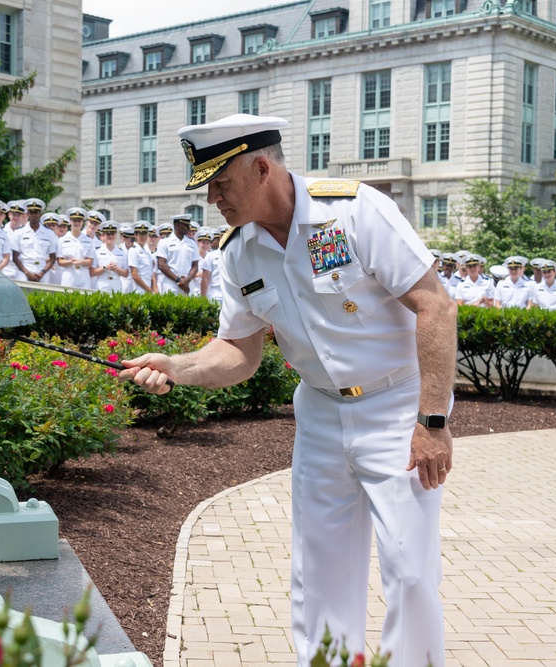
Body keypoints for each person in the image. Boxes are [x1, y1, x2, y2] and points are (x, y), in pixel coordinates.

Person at [120, 114, 455, 667]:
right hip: (322, 414)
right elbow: (239, 353)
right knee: (319, 573)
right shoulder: (239, 252)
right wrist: (175, 366)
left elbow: (436, 307)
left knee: (411, 571)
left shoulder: (354, 211)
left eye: (220, 184)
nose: (212, 199)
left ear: (260, 167)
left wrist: (432, 423)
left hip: (399, 409)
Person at [11, 200, 57, 282]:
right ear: (27, 214)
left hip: (43, 268)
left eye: (36, 212)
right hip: (24, 269)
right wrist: (27, 273)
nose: (34, 215)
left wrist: (42, 273)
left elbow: (53, 257)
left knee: (44, 294)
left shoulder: (49, 233)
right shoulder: (19, 232)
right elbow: (15, 257)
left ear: (40, 214)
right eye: (31, 212)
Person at [156, 214, 199, 295]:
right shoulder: (165, 242)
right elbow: (161, 264)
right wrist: (178, 280)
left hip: (188, 283)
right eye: (185, 225)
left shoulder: (192, 243)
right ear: (177, 225)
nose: (188, 228)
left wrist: (188, 280)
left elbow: (195, 265)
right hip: (171, 283)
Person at [56, 211, 94, 289]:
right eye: (74, 220)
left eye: (79, 221)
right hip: (69, 273)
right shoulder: (62, 239)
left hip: (83, 274)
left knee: (85, 299)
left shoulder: (88, 240)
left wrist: (80, 261)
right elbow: (60, 261)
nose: (76, 223)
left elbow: (90, 261)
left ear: (83, 222)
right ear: (70, 221)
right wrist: (71, 262)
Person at [90, 220, 129, 293]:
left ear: (116, 235)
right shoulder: (97, 251)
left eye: (113, 234)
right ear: (103, 235)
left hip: (116, 284)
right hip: (102, 284)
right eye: (108, 234)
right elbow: (92, 272)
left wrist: (117, 269)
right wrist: (105, 268)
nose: (110, 236)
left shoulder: (121, 252)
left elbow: (126, 274)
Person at [129, 221, 156, 293]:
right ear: (135, 235)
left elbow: (150, 274)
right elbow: (134, 274)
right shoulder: (133, 250)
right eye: (141, 234)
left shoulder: (147, 253)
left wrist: (152, 289)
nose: (143, 237)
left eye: (145, 234)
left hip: (147, 286)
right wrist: (148, 289)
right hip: (139, 288)